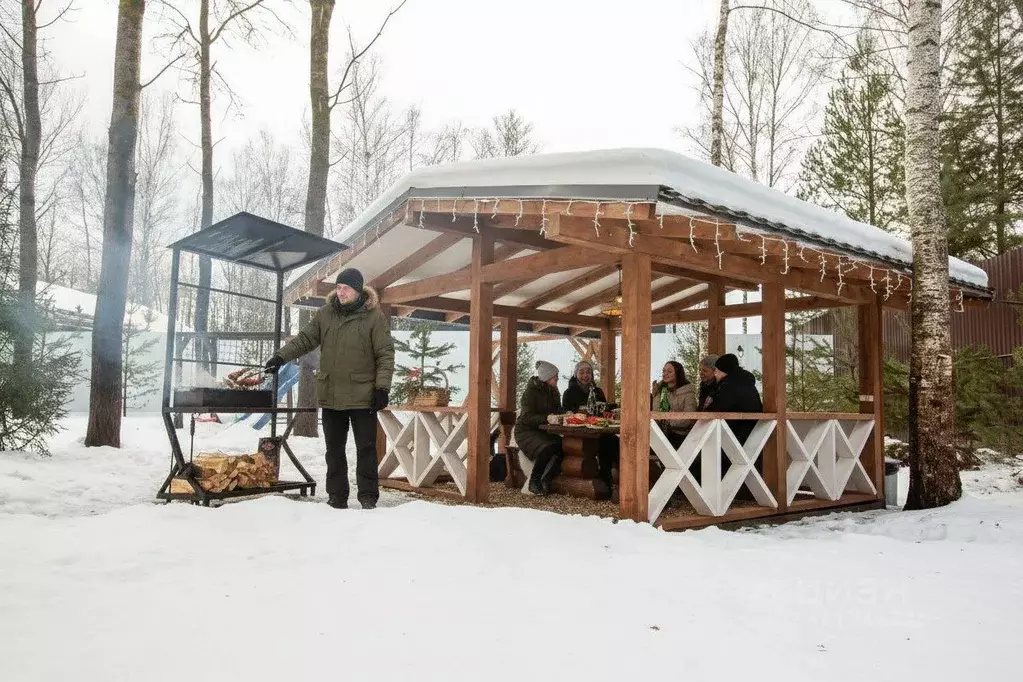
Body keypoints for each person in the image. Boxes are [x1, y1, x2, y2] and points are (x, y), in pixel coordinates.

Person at [264, 268, 394, 510]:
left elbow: (385, 353)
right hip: (332, 394)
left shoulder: (373, 317)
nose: (340, 292)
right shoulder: (326, 314)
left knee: (366, 449)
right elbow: (305, 339)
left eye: (345, 288)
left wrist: (382, 388)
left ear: (357, 290)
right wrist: (281, 357)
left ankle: (368, 497)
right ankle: (337, 497)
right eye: (339, 287)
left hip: (363, 396)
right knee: (334, 450)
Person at [561, 360, 618, 495]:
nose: (585, 375)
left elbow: (603, 409)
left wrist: (608, 411)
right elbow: (567, 412)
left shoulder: (597, 391)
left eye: (588, 372)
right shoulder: (569, 392)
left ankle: (610, 480)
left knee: (612, 441)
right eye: (581, 372)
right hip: (579, 431)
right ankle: (605, 481)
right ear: (576, 375)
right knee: (602, 443)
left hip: (597, 429)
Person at [514, 360, 564, 495]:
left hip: (542, 430)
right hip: (525, 431)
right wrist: (546, 418)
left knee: (564, 446)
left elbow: (557, 410)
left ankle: (547, 479)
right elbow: (526, 417)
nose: (557, 379)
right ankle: (534, 482)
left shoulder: (554, 391)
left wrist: (564, 414)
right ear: (547, 378)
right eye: (555, 377)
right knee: (546, 448)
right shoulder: (530, 392)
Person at [711, 353, 763, 445]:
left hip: (735, 437)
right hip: (754, 434)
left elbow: (718, 409)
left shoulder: (729, 386)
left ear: (724, 371)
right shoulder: (746, 383)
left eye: (717, 370)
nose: (715, 374)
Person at [650, 361, 698, 447]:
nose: (665, 374)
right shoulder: (660, 389)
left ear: (678, 373)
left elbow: (689, 417)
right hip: (660, 432)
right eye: (664, 371)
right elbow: (655, 412)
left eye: (669, 371)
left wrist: (668, 420)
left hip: (680, 434)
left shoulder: (688, 391)